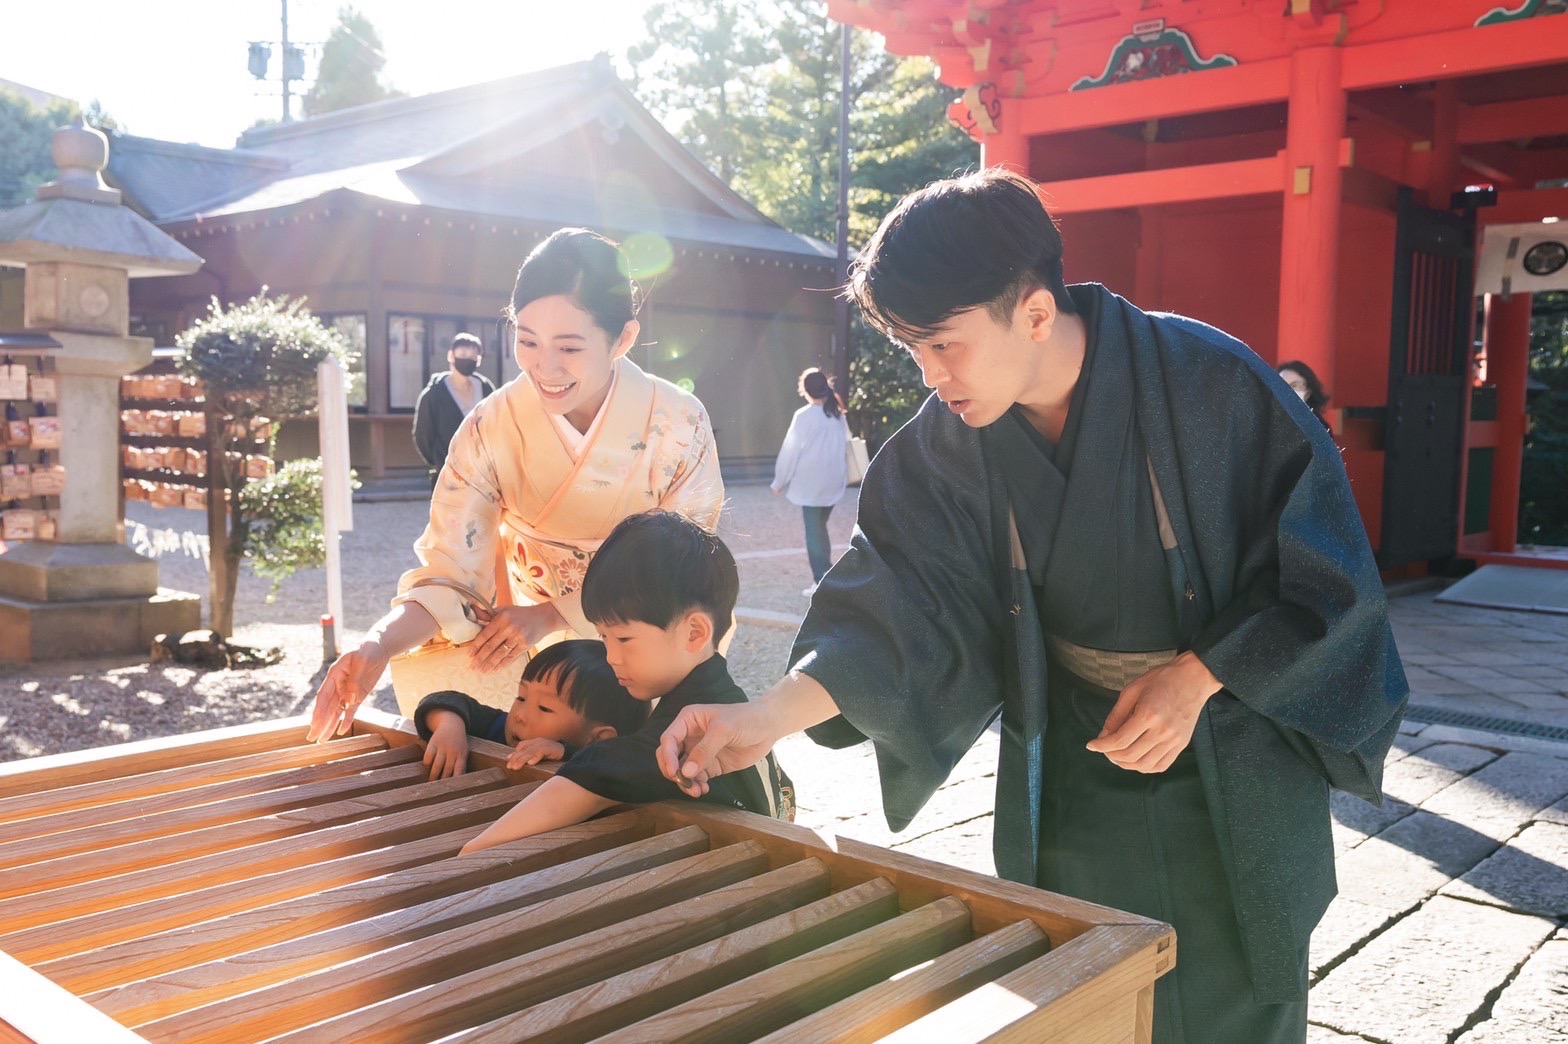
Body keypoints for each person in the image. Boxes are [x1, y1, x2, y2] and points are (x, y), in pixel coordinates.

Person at [655, 169, 1407, 1043]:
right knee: (1078, 988)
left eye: (943, 345)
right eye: (911, 349)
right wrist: (768, 718)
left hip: (1230, 753)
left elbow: (1329, 579)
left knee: (1231, 1004)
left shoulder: (1210, 385)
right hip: (1073, 756)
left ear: (1037, 313)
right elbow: (901, 601)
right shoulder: (952, 443)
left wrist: (1199, 676)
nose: (930, 376)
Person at [308, 228, 724, 743]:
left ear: (623, 338)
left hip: (652, 645)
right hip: (542, 662)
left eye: (569, 347)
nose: (544, 368)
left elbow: (685, 566)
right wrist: (375, 646)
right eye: (527, 341)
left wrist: (552, 613)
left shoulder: (679, 423)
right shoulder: (491, 426)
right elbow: (450, 575)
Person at [460, 511, 792, 854]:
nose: (611, 657)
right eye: (603, 637)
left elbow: (609, 771)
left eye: (623, 639)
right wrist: (570, 751)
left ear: (694, 632)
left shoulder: (689, 732)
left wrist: (474, 849)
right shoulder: (723, 698)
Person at [415, 638, 649, 779]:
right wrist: (449, 725)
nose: (520, 715)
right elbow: (447, 700)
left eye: (544, 708)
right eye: (521, 697)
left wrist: (566, 753)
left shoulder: (608, 771)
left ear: (599, 739)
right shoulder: (499, 728)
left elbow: (618, 766)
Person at [771, 367, 851, 596]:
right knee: (819, 527)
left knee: (814, 531)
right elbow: (847, 444)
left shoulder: (804, 416)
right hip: (834, 480)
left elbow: (790, 451)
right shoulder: (837, 414)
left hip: (811, 482)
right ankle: (826, 575)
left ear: (805, 391)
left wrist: (779, 481)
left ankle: (822, 580)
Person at [412, 332, 496, 487]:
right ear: (451, 356)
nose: (468, 359)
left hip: (485, 475)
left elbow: (496, 426)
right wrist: (440, 463)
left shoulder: (486, 389)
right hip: (449, 475)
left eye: (473, 355)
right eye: (463, 354)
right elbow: (423, 436)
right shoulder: (434, 394)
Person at [1277, 359, 1332, 429]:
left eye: (1295, 385)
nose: (1288, 390)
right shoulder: (1265, 419)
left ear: (1308, 393)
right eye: (1282, 385)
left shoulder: (1319, 428)